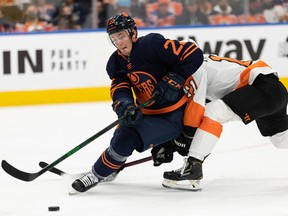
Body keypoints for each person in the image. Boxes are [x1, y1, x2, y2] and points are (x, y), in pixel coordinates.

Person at [71, 12, 204, 193]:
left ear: (133, 33)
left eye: (121, 36)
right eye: (114, 39)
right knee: (120, 134)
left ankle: (96, 174)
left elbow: (193, 53)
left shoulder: (153, 45)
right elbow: (120, 88)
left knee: (127, 138)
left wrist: (175, 77)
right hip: (148, 112)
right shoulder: (116, 62)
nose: (118, 42)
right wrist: (125, 104)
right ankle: (113, 167)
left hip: (173, 116)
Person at [152, 53, 288, 191]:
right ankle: (192, 166)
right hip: (271, 88)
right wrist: (171, 143)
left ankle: (192, 169)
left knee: (212, 112)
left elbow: (196, 112)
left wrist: (180, 141)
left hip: (261, 87)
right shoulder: (189, 61)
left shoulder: (192, 69)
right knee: (281, 139)